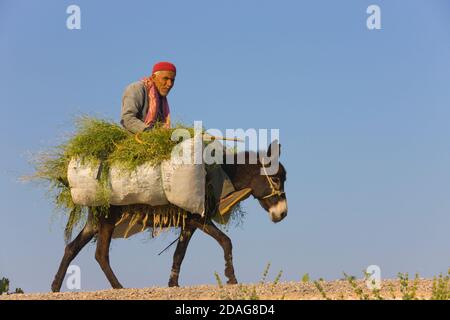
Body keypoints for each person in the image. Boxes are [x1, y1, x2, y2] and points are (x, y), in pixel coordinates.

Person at [121, 62, 176, 133]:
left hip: (152, 142)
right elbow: (127, 119)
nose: (169, 84)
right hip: (134, 140)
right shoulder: (136, 88)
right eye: (165, 79)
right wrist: (149, 132)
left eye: (172, 80)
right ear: (153, 77)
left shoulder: (161, 100)